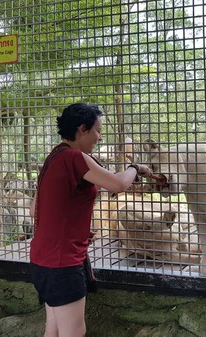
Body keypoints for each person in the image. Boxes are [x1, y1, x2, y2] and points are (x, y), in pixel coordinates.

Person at [29, 103, 152, 337]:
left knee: (53, 327)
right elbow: (118, 183)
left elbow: (35, 209)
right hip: (62, 263)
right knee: (73, 331)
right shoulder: (75, 158)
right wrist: (135, 168)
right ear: (82, 129)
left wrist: (77, 229)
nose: (100, 136)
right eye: (98, 130)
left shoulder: (52, 157)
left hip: (42, 259)